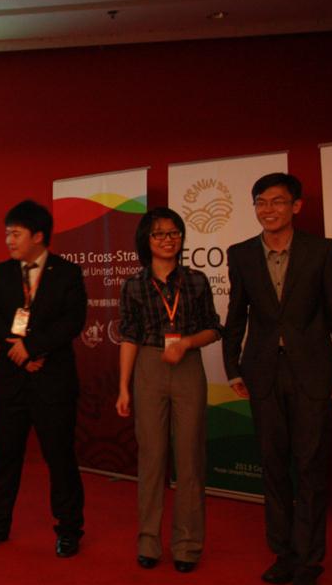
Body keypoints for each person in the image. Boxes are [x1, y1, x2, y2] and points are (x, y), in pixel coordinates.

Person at [222, 173, 332, 585]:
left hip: (313, 371)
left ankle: (310, 559)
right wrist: (232, 367)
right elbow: (236, 314)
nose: (269, 210)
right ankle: (283, 552)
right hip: (262, 372)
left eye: (277, 201)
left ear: (296, 206)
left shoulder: (321, 251)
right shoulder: (241, 254)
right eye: (261, 202)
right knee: (273, 466)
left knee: (311, 465)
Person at [0, 200, 86, 557]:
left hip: (53, 381)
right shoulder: (1, 272)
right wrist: (19, 352)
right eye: (7, 233)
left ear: (38, 236)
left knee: (60, 458)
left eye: (16, 233)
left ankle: (68, 529)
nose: (9, 240)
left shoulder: (67, 273)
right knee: (6, 456)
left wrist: (34, 348)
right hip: (12, 381)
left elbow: (73, 321)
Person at [116, 207, 221, 573]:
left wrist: (187, 342)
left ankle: (187, 545)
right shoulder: (133, 284)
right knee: (152, 457)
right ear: (146, 240)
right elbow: (129, 336)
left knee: (190, 457)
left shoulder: (196, 280)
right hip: (148, 365)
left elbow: (213, 328)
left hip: (188, 365)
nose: (168, 239)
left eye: (174, 233)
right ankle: (148, 541)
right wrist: (123, 387)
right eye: (159, 234)